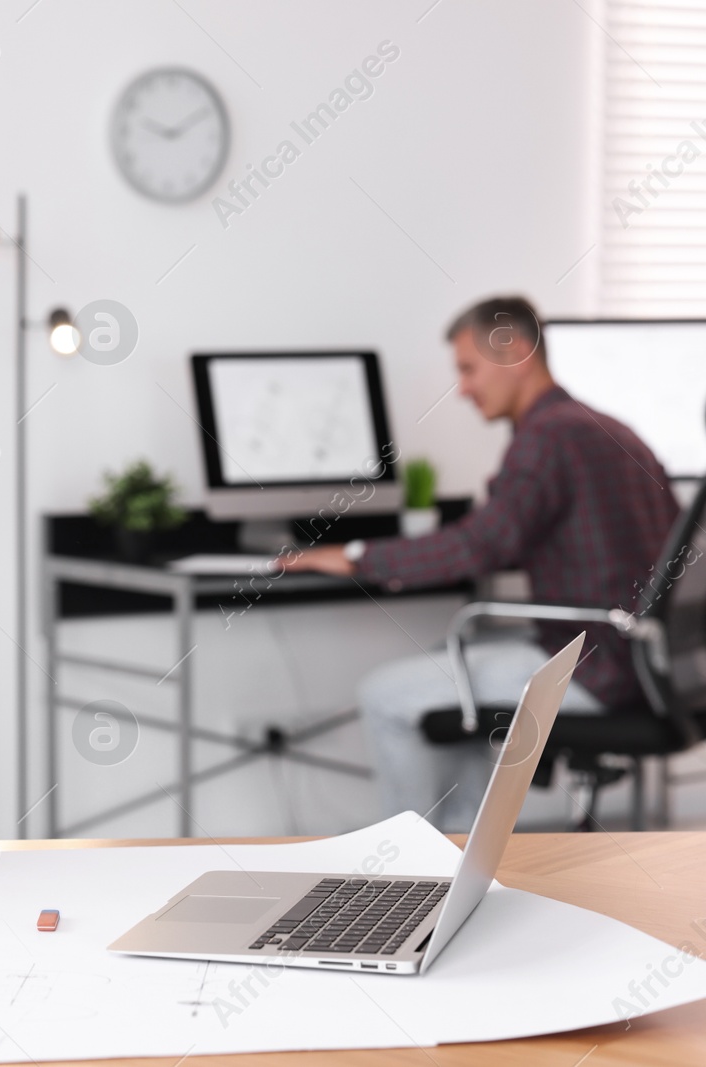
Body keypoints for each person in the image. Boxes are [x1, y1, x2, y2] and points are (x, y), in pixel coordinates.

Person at [283, 296, 679, 831]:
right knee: (444, 668)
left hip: (590, 670)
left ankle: (414, 869)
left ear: (513, 349)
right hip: (648, 668)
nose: (463, 389)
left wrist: (354, 556)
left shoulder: (549, 435)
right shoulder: (611, 429)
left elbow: (482, 546)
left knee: (385, 695)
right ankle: (458, 846)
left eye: (468, 369)